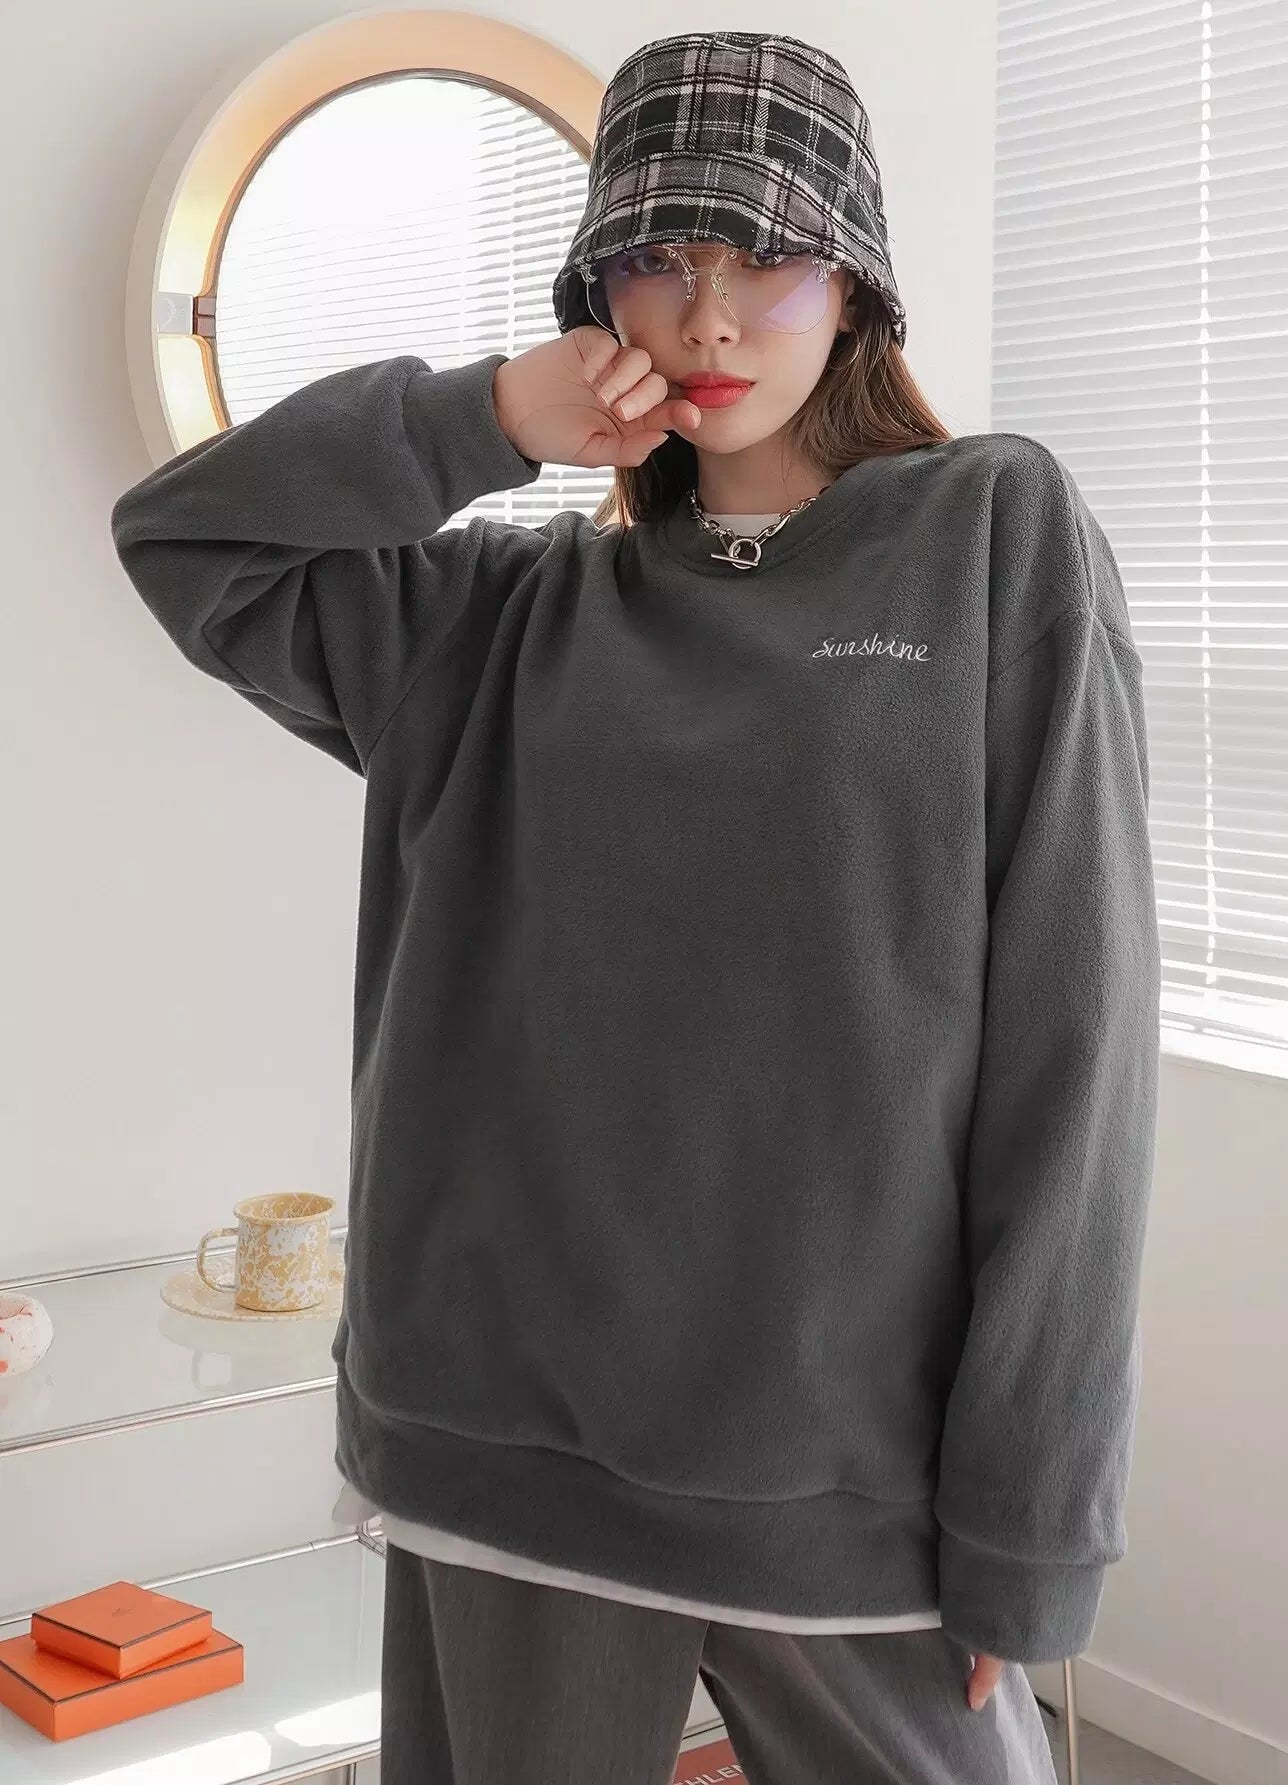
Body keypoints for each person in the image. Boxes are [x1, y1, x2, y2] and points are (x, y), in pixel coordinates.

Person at [109, 27, 1161, 1785]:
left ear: (855, 280)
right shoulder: (489, 623)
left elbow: (1079, 1052)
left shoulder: (993, 536)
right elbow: (185, 538)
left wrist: (1034, 1517)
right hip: (502, 1455)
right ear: (597, 290)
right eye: (658, 258)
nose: (709, 314)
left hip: (849, 1483)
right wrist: (487, 418)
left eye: (765, 254)